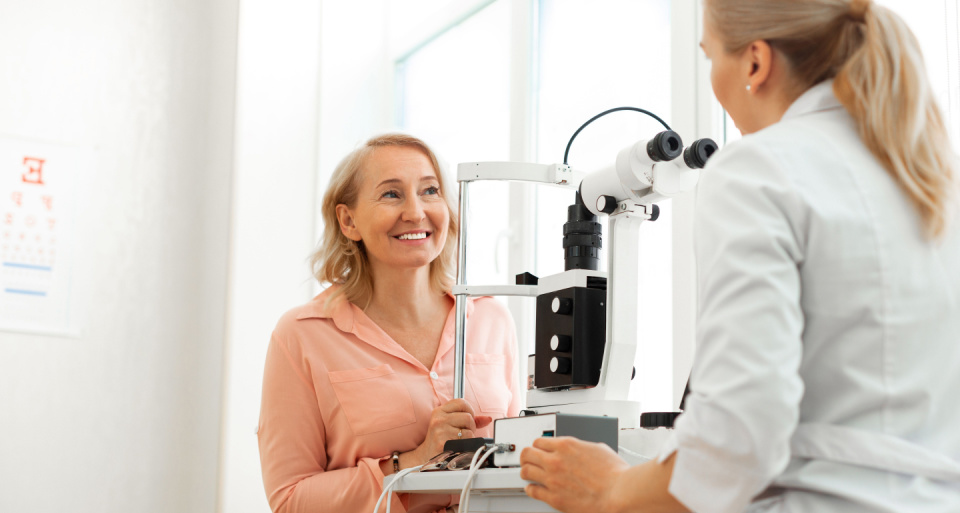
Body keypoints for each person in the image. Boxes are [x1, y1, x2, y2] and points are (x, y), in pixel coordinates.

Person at [519, 0, 960, 512]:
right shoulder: (933, 181)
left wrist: (609, 489)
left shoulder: (757, 168)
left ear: (755, 62)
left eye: (710, 58)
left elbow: (739, 439)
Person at [258, 133, 522, 513]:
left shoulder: (490, 318)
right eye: (391, 194)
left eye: (430, 191)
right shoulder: (302, 335)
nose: (416, 212)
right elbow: (290, 499)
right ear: (348, 221)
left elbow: (518, 466)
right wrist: (414, 461)